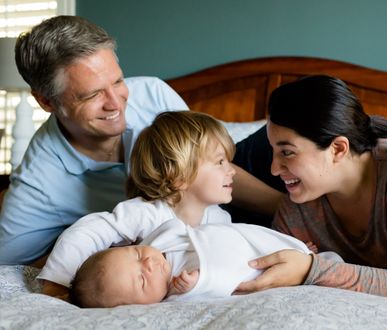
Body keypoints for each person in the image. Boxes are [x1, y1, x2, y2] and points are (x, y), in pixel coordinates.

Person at [0, 15, 283, 267]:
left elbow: (210, 167)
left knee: (288, 133)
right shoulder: (38, 182)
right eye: (91, 95)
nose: (115, 103)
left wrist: (292, 209)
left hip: (223, 184)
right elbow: (11, 264)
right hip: (177, 228)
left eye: (118, 82)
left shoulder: (152, 93)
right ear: (47, 101)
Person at [38, 110, 315, 306]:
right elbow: (88, 232)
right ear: (180, 175)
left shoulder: (218, 218)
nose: (232, 171)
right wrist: (57, 284)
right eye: (220, 162)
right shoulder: (146, 212)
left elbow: (238, 252)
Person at [236, 75, 387, 298]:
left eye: (287, 152)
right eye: (273, 151)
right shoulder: (296, 209)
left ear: (338, 149)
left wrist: (311, 269)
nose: (274, 169)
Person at [69, 219, 315, 308]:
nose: (149, 263)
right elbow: (222, 287)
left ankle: (307, 256)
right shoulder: (175, 294)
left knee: (317, 261)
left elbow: (181, 229)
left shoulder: (163, 241)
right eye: (142, 280)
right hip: (254, 269)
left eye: (135, 253)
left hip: (249, 244)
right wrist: (198, 283)